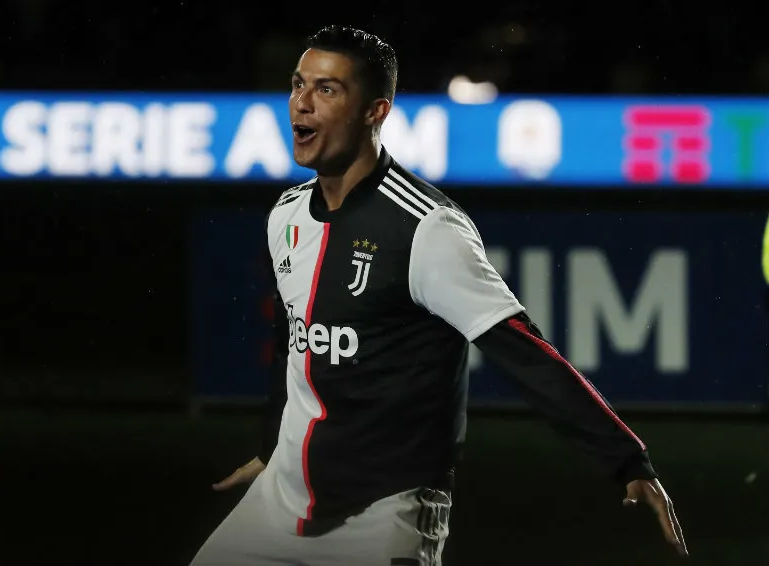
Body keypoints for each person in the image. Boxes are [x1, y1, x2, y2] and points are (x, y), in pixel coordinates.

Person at [189, 25, 688, 566]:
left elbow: (526, 355)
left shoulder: (426, 229)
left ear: (375, 111)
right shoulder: (286, 214)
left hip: (382, 519)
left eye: (327, 89)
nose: (301, 103)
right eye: (297, 84)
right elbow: (296, 341)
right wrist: (272, 446)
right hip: (277, 506)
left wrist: (628, 460)